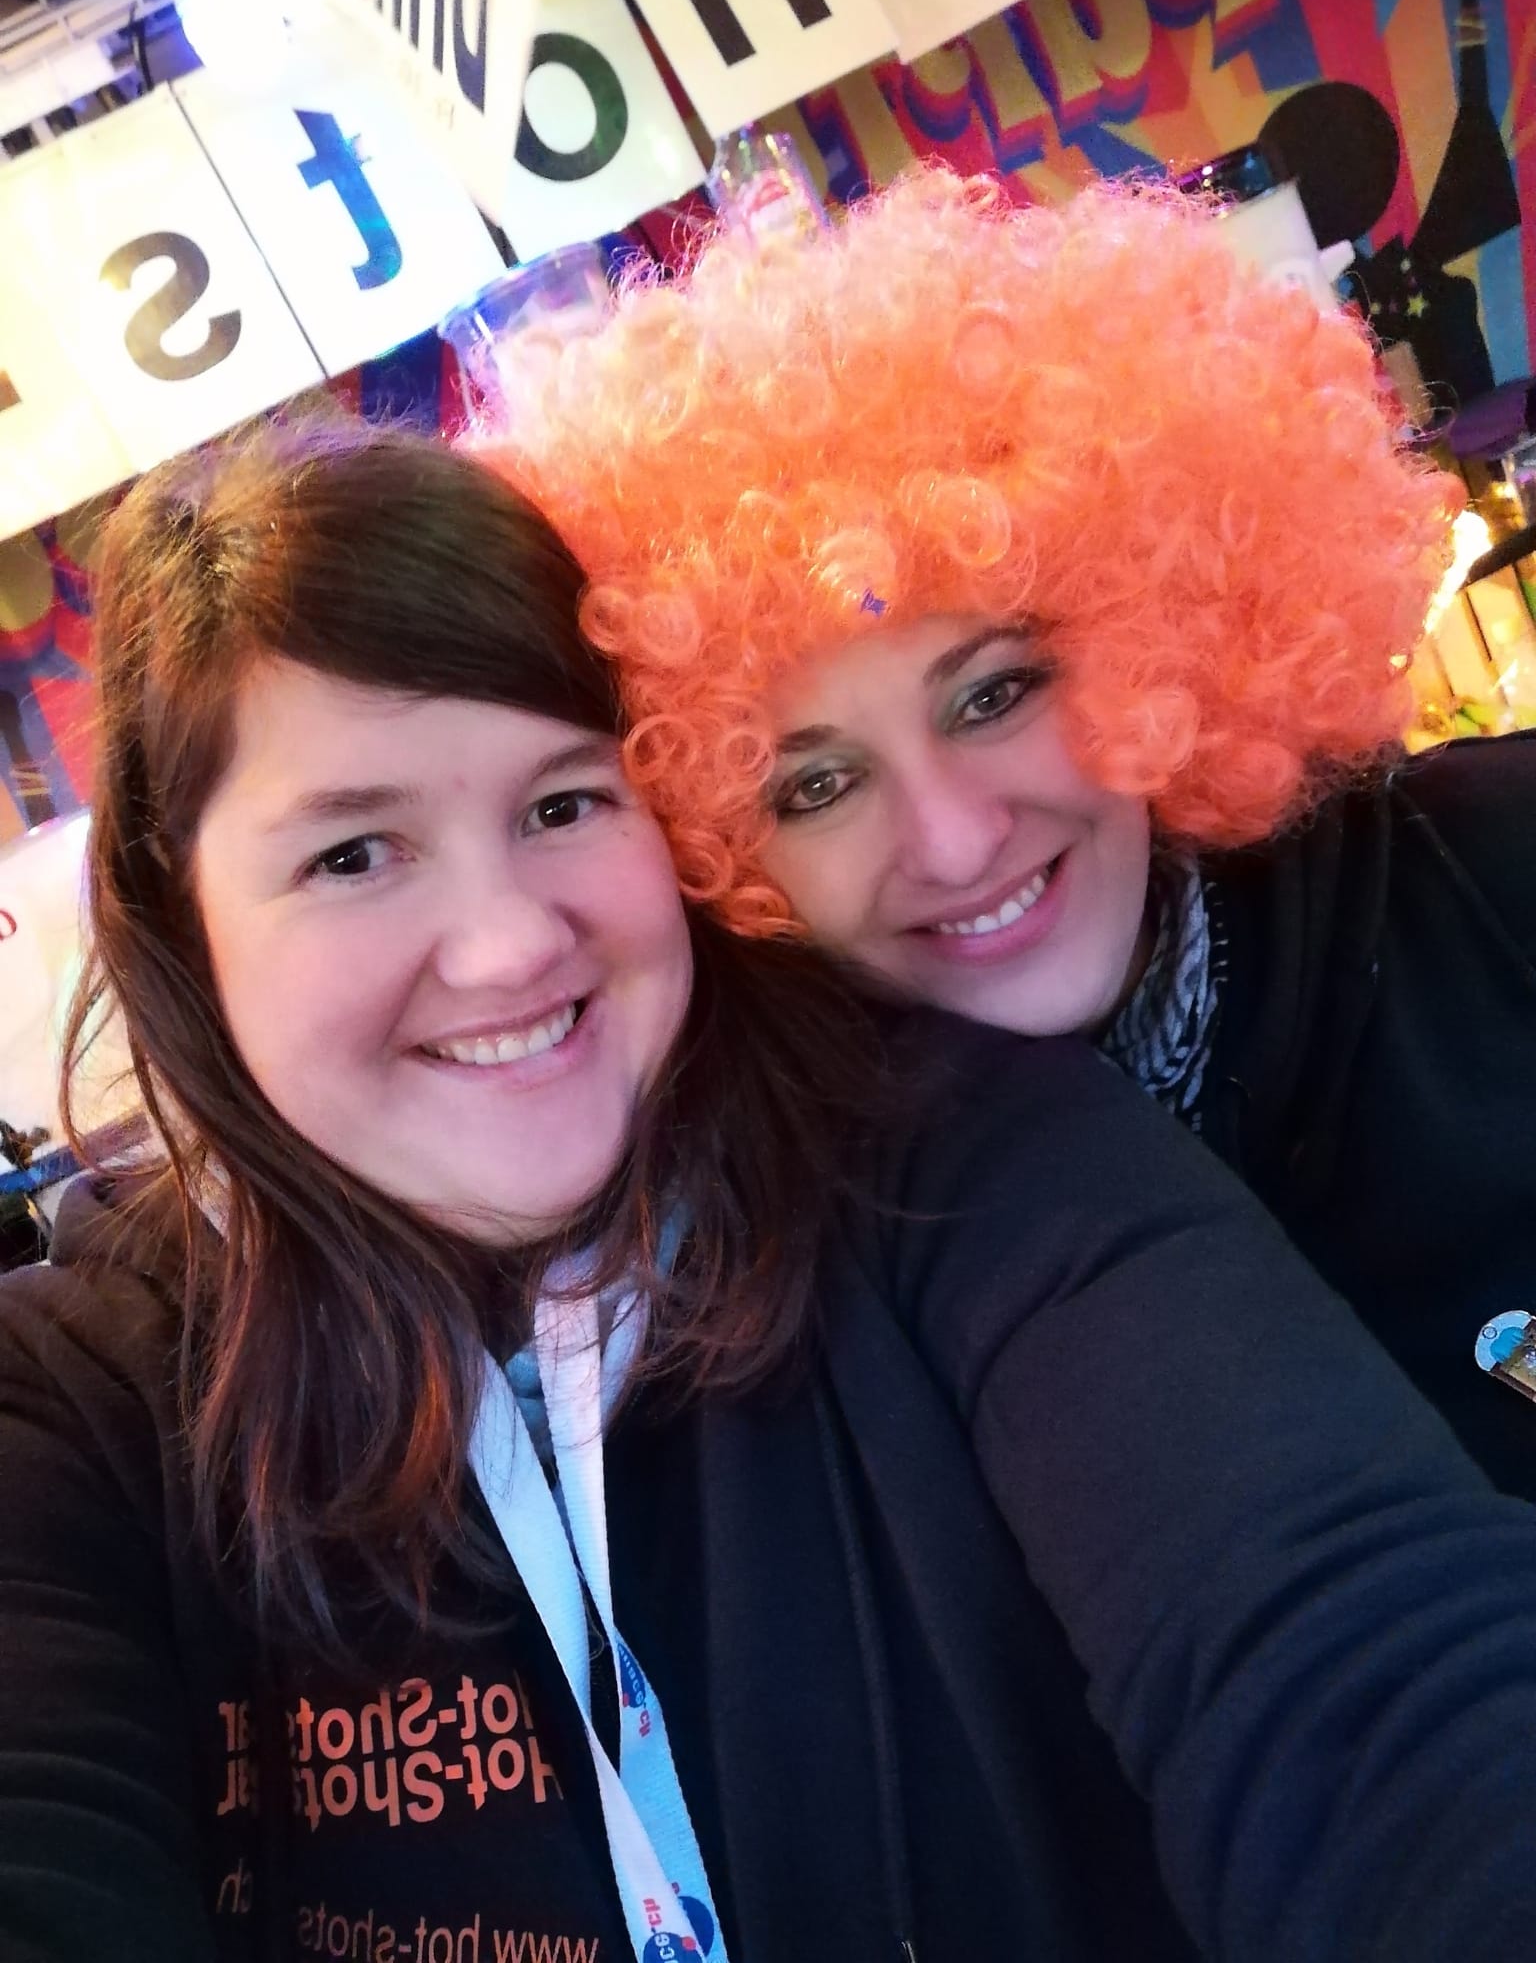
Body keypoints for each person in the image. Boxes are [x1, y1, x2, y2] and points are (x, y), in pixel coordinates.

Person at [10, 418, 1536, 1963]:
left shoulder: (963, 1161)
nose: (510, 943)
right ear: (178, 919)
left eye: (562, 804)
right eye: (353, 854)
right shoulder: (75, 1405)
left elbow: (1353, 1672)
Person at [493, 165, 1536, 1504]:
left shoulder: (1495, 882)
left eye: (994, 696)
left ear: (1167, 634)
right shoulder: (784, 1295)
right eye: (816, 787)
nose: (953, 840)